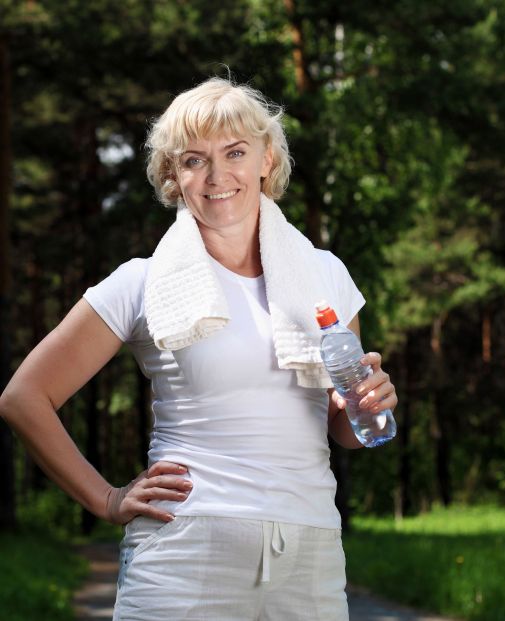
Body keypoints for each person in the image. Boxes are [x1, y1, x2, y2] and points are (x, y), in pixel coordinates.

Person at [0, 77, 398, 620]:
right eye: (193, 160)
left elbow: (344, 430)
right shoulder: (140, 282)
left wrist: (366, 404)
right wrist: (106, 498)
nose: (217, 176)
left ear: (267, 157)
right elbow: (23, 397)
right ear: (172, 176)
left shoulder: (325, 275)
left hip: (309, 552)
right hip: (184, 554)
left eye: (235, 152)